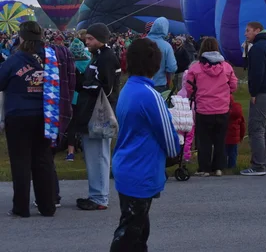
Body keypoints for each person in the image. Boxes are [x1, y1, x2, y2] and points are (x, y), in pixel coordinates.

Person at [110, 38, 180, 251]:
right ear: (156, 64)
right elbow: (169, 139)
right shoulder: (151, 96)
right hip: (140, 170)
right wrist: (177, 152)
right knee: (129, 235)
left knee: (138, 231)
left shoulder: (128, 88)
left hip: (127, 165)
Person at [0, 21, 56, 217]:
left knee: (20, 161)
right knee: (43, 160)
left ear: (21, 37)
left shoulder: (15, 60)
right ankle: (47, 205)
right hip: (45, 114)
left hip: (19, 115)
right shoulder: (50, 58)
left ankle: (21, 207)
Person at [74, 23, 122, 211]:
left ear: (101, 39)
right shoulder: (98, 57)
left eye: (90, 39)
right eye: (87, 38)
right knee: (93, 155)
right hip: (91, 110)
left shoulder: (107, 58)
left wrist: (86, 86)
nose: (87, 41)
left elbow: (107, 88)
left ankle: (100, 197)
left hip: (100, 113)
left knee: (99, 154)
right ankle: (95, 193)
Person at [185, 37, 238, 177]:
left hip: (204, 108)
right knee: (220, 139)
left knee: (204, 140)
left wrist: (195, 95)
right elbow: (233, 85)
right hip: (222, 108)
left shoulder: (195, 68)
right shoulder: (227, 67)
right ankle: (219, 167)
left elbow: (189, 87)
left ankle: (204, 168)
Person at [241, 21, 266, 176]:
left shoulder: (258, 48)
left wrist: (253, 92)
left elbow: (257, 73)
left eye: (248, 30)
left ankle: (258, 165)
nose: (245, 34)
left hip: (263, 93)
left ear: (257, 31)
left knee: (256, 129)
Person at [65, 38, 91, 162]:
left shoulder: (69, 63)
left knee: (72, 125)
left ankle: (71, 152)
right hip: (85, 97)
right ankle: (87, 151)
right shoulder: (89, 62)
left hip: (73, 97)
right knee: (85, 124)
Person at [146, 17, 177, 93]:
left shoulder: (141, 42)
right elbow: (172, 68)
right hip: (159, 84)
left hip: (141, 83)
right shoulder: (167, 46)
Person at [225, 94, 246, 169]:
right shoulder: (238, 113)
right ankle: (232, 167)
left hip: (224, 138)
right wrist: (241, 136)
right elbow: (242, 126)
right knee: (233, 154)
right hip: (234, 139)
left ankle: (223, 167)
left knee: (223, 153)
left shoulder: (223, 112)